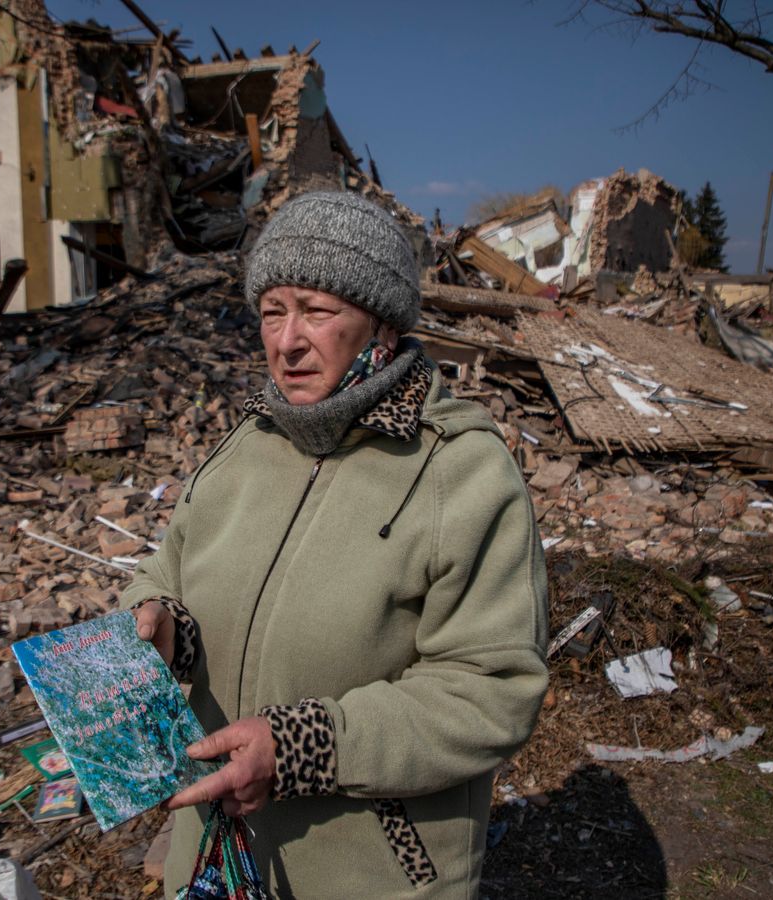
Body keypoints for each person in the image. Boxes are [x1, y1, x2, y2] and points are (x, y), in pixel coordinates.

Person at [123, 190, 549, 898]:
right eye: (271, 312)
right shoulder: (247, 444)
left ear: (380, 325)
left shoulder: (459, 473)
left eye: (317, 312)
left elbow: (492, 690)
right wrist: (164, 626)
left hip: (365, 872)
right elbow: (162, 571)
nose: (287, 341)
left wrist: (304, 748)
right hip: (215, 863)